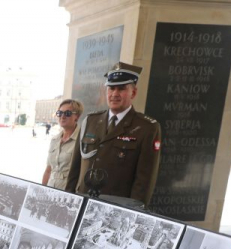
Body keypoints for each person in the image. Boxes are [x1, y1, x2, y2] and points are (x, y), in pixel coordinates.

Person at [66, 62, 162, 205]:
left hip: (115, 209)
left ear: (133, 93)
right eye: (111, 88)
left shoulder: (147, 128)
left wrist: (133, 212)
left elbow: (144, 180)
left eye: (121, 89)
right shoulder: (91, 121)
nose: (115, 94)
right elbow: (75, 168)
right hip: (82, 202)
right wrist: (68, 198)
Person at [43, 99, 83, 189]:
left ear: (77, 116)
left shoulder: (82, 140)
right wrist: (42, 189)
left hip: (69, 193)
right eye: (60, 113)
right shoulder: (54, 140)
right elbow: (48, 170)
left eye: (67, 113)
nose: (62, 116)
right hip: (50, 190)